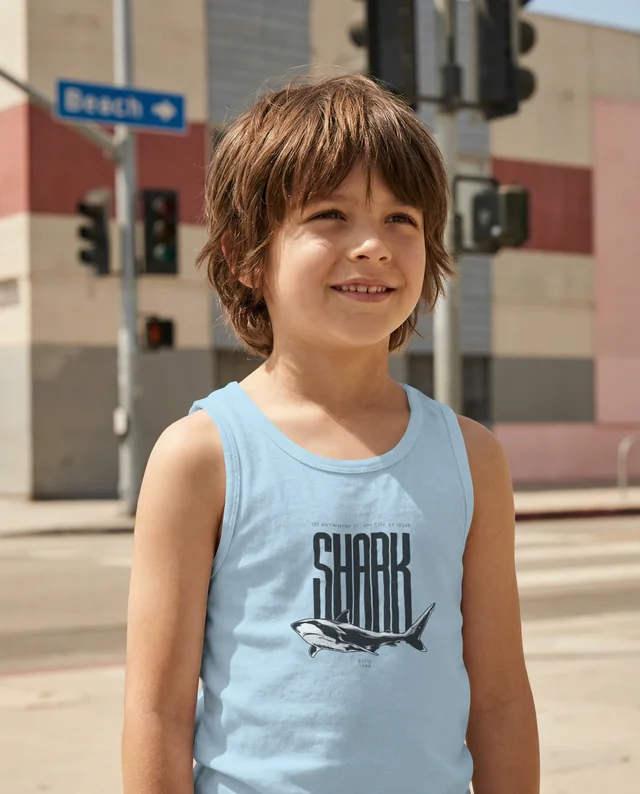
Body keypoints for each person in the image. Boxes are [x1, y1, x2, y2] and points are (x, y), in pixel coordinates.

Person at [121, 74, 539, 794]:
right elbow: (157, 714)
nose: (373, 245)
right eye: (330, 215)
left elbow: (499, 700)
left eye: (402, 218)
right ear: (245, 258)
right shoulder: (202, 455)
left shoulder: (473, 457)